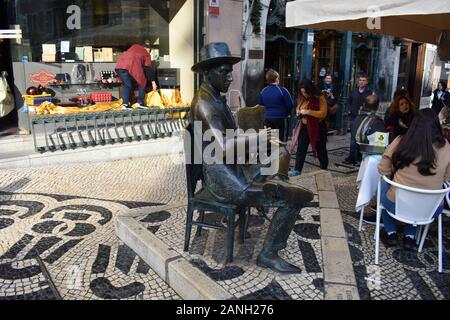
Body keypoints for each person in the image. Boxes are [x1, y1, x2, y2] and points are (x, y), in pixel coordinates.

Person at [189, 42, 314, 273]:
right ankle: (268, 253)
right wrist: (258, 137)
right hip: (225, 180)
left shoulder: (215, 97)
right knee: (297, 197)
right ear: (207, 72)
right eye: (224, 72)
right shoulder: (205, 104)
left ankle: (275, 188)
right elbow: (224, 147)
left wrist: (261, 144)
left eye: (231, 71)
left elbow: (233, 140)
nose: (230, 77)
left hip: (233, 168)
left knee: (279, 156)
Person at [378, 109, 450, 250]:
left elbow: (382, 168)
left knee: (384, 186)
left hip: (397, 204)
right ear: (437, 125)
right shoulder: (447, 147)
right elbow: (447, 178)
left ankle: (391, 232)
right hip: (430, 209)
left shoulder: (401, 140)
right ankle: (409, 237)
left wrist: (393, 172)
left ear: (414, 124)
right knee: (419, 200)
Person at [288, 79, 328, 177]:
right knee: (301, 148)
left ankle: (324, 167)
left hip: (317, 127)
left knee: (321, 149)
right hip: (304, 126)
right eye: (302, 92)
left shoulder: (320, 98)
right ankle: (297, 170)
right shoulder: (302, 98)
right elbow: (299, 106)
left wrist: (308, 112)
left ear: (310, 90)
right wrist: (298, 111)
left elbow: (323, 114)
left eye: (305, 92)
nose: (304, 94)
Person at [115, 40, 157, 109]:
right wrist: (153, 82)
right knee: (142, 82)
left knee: (127, 84)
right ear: (147, 49)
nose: (149, 52)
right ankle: (140, 102)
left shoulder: (134, 47)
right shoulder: (146, 53)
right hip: (132, 66)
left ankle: (125, 104)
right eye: (149, 51)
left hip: (120, 66)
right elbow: (148, 69)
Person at [343, 74, 371, 165]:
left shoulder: (369, 93)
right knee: (353, 138)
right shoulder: (354, 91)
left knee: (362, 137)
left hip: (363, 117)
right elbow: (348, 102)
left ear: (366, 82)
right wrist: (351, 110)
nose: (361, 82)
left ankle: (359, 155)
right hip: (353, 117)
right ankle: (351, 157)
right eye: (360, 80)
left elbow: (370, 105)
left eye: (363, 80)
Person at [259, 69, 293, 142]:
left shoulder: (263, 91)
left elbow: (261, 104)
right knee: (282, 140)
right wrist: (288, 113)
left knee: (271, 139)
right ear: (277, 78)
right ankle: (280, 152)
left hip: (268, 117)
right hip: (281, 117)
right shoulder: (282, 90)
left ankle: (272, 152)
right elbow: (290, 104)